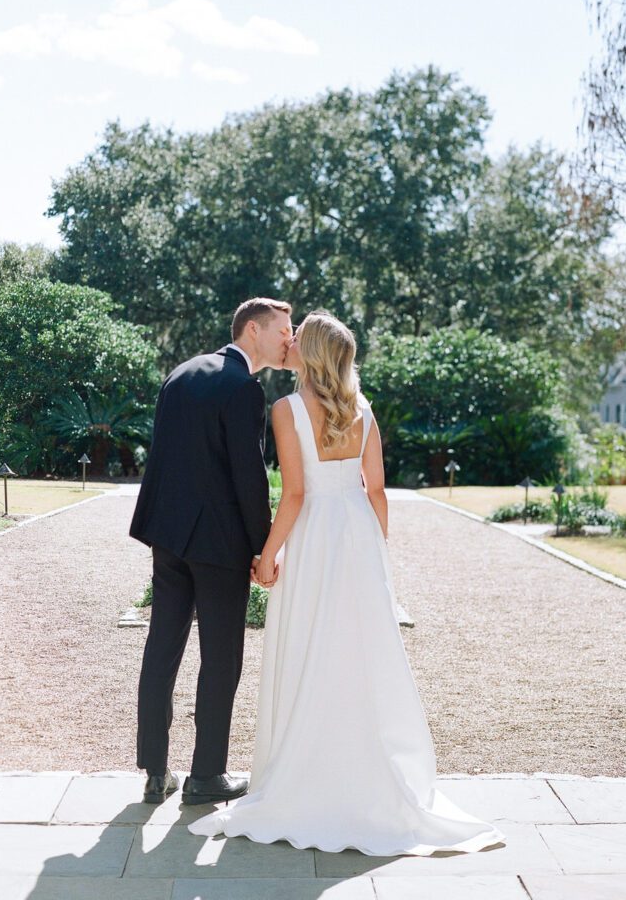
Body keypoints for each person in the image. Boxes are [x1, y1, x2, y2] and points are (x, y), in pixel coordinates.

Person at [188, 311, 506, 855]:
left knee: (311, 644)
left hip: (314, 536)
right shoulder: (364, 410)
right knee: (363, 650)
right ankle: (368, 772)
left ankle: (306, 770)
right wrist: (377, 549)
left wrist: (267, 554)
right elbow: (376, 489)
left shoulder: (288, 410)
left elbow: (293, 495)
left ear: (307, 355)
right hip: (357, 533)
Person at [130, 297, 293, 807]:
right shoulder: (244, 388)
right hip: (219, 546)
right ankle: (205, 776)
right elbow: (249, 476)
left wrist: (158, 527)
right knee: (221, 659)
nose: (290, 339)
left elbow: (164, 458)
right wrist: (263, 546)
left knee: (162, 648)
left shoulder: (180, 373)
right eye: (285, 329)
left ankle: (155, 771)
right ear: (253, 329)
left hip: (169, 537)